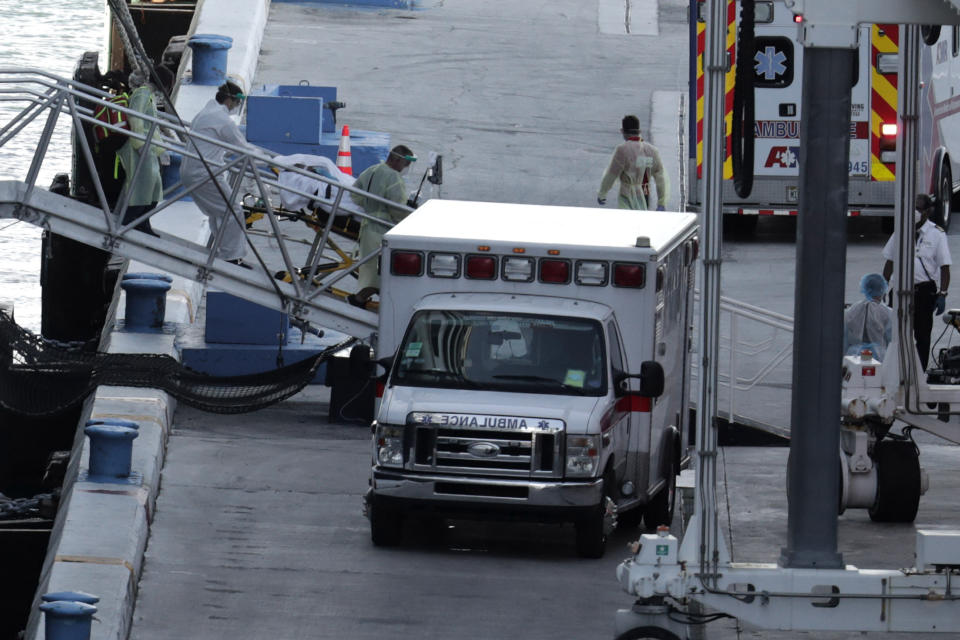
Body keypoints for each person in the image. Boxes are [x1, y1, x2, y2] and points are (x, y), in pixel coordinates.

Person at [181, 80, 265, 266]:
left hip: (193, 171)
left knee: (217, 211)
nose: (236, 107)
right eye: (236, 103)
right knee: (233, 210)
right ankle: (232, 258)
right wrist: (269, 161)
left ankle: (223, 251)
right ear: (229, 100)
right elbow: (242, 148)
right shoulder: (221, 119)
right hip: (204, 174)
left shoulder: (205, 113)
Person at [882, 193, 953, 370]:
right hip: (899, 289)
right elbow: (889, 262)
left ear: (928, 212)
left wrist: (942, 294)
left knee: (922, 336)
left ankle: (919, 371)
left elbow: (945, 267)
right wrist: (883, 287)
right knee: (896, 334)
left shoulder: (937, 235)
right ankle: (897, 370)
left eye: (919, 209)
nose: (915, 212)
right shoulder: (901, 231)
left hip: (924, 292)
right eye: (913, 208)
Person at [346, 145, 416, 307]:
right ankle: (358, 300)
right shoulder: (394, 178)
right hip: (381, 229)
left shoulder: (372, 170)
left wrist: (371, 206)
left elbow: (355, 194)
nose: (405, 169)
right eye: (405, 165)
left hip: (367, 225)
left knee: (371, 269)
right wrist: (410, 216)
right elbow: (397, 207)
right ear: (397, 160)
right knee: (380, 273)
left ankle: (364, 299)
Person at [115, 67, 172, 236]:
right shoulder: (142, 94)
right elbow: (136, 120)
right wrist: (140, 146)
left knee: (154, 187)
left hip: (148, 146)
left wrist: (161, 150)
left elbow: (152, 128)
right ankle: (129, 220)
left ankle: (143, 222)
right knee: (143, 187)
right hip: (138, 147)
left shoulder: (149, 96)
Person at [597, 115, 669, 211]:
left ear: (623, 131)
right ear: (639, 131)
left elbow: (611, 174)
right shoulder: (652, 151)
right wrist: (661, 202)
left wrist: (602, 192)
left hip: (626, 195)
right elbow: (660, 178)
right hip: (644, 195)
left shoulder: (622, 150)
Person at [844, 273, 894, 362]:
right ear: (883, 289)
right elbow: (892, 339)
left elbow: (845, 338)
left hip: (854, 355)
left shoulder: (853, 310)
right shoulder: (888, 312)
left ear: (865, 288)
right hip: (879, 357)